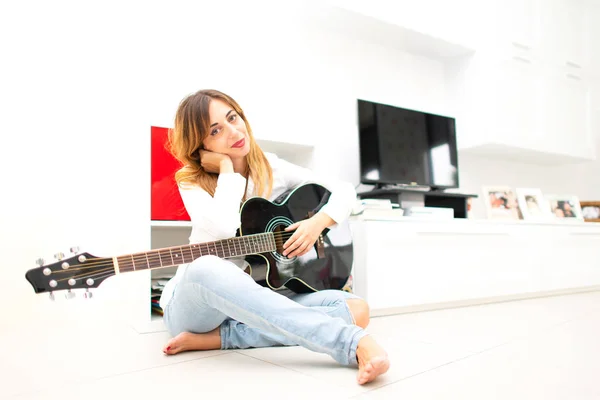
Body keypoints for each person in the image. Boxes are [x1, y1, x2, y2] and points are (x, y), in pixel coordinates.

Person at [158, 89, 390, 385]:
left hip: (255, 299)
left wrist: (318, 222)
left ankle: (224, 338)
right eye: (216, 130)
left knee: (357, 308)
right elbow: (224, 229)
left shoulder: (271, 166)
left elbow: (344, 190)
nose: (233, 132)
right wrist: (228, 170)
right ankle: (350, 341)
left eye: (233, 117)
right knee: (205, 265)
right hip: (198, 308)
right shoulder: (190, 181)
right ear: (201, 145)